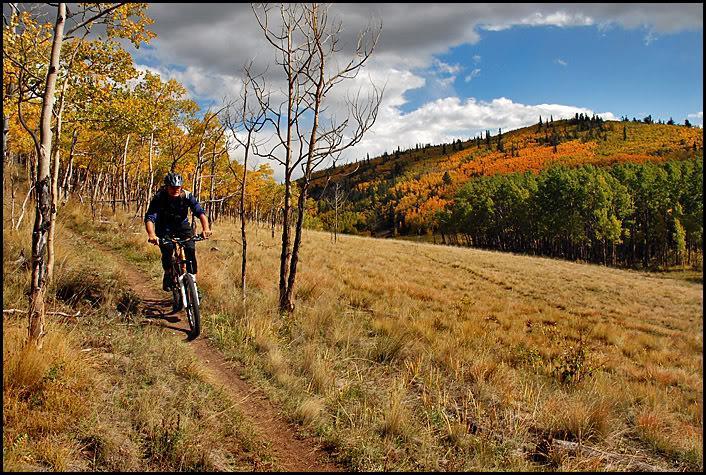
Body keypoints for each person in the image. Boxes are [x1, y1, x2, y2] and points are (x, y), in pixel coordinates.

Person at [144, 172, 212, 292]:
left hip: (182, 226)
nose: (175, 190)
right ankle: (168, 273)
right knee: (168, 250)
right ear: (166, 187)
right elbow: (150, 217)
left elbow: (200, 212)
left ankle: (193, 285)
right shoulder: (159, 197)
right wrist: (151, 235)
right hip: (164, 227)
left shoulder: (187, 196)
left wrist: (206, 229)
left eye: (178, 188)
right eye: (172, 187)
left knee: (190, 250)